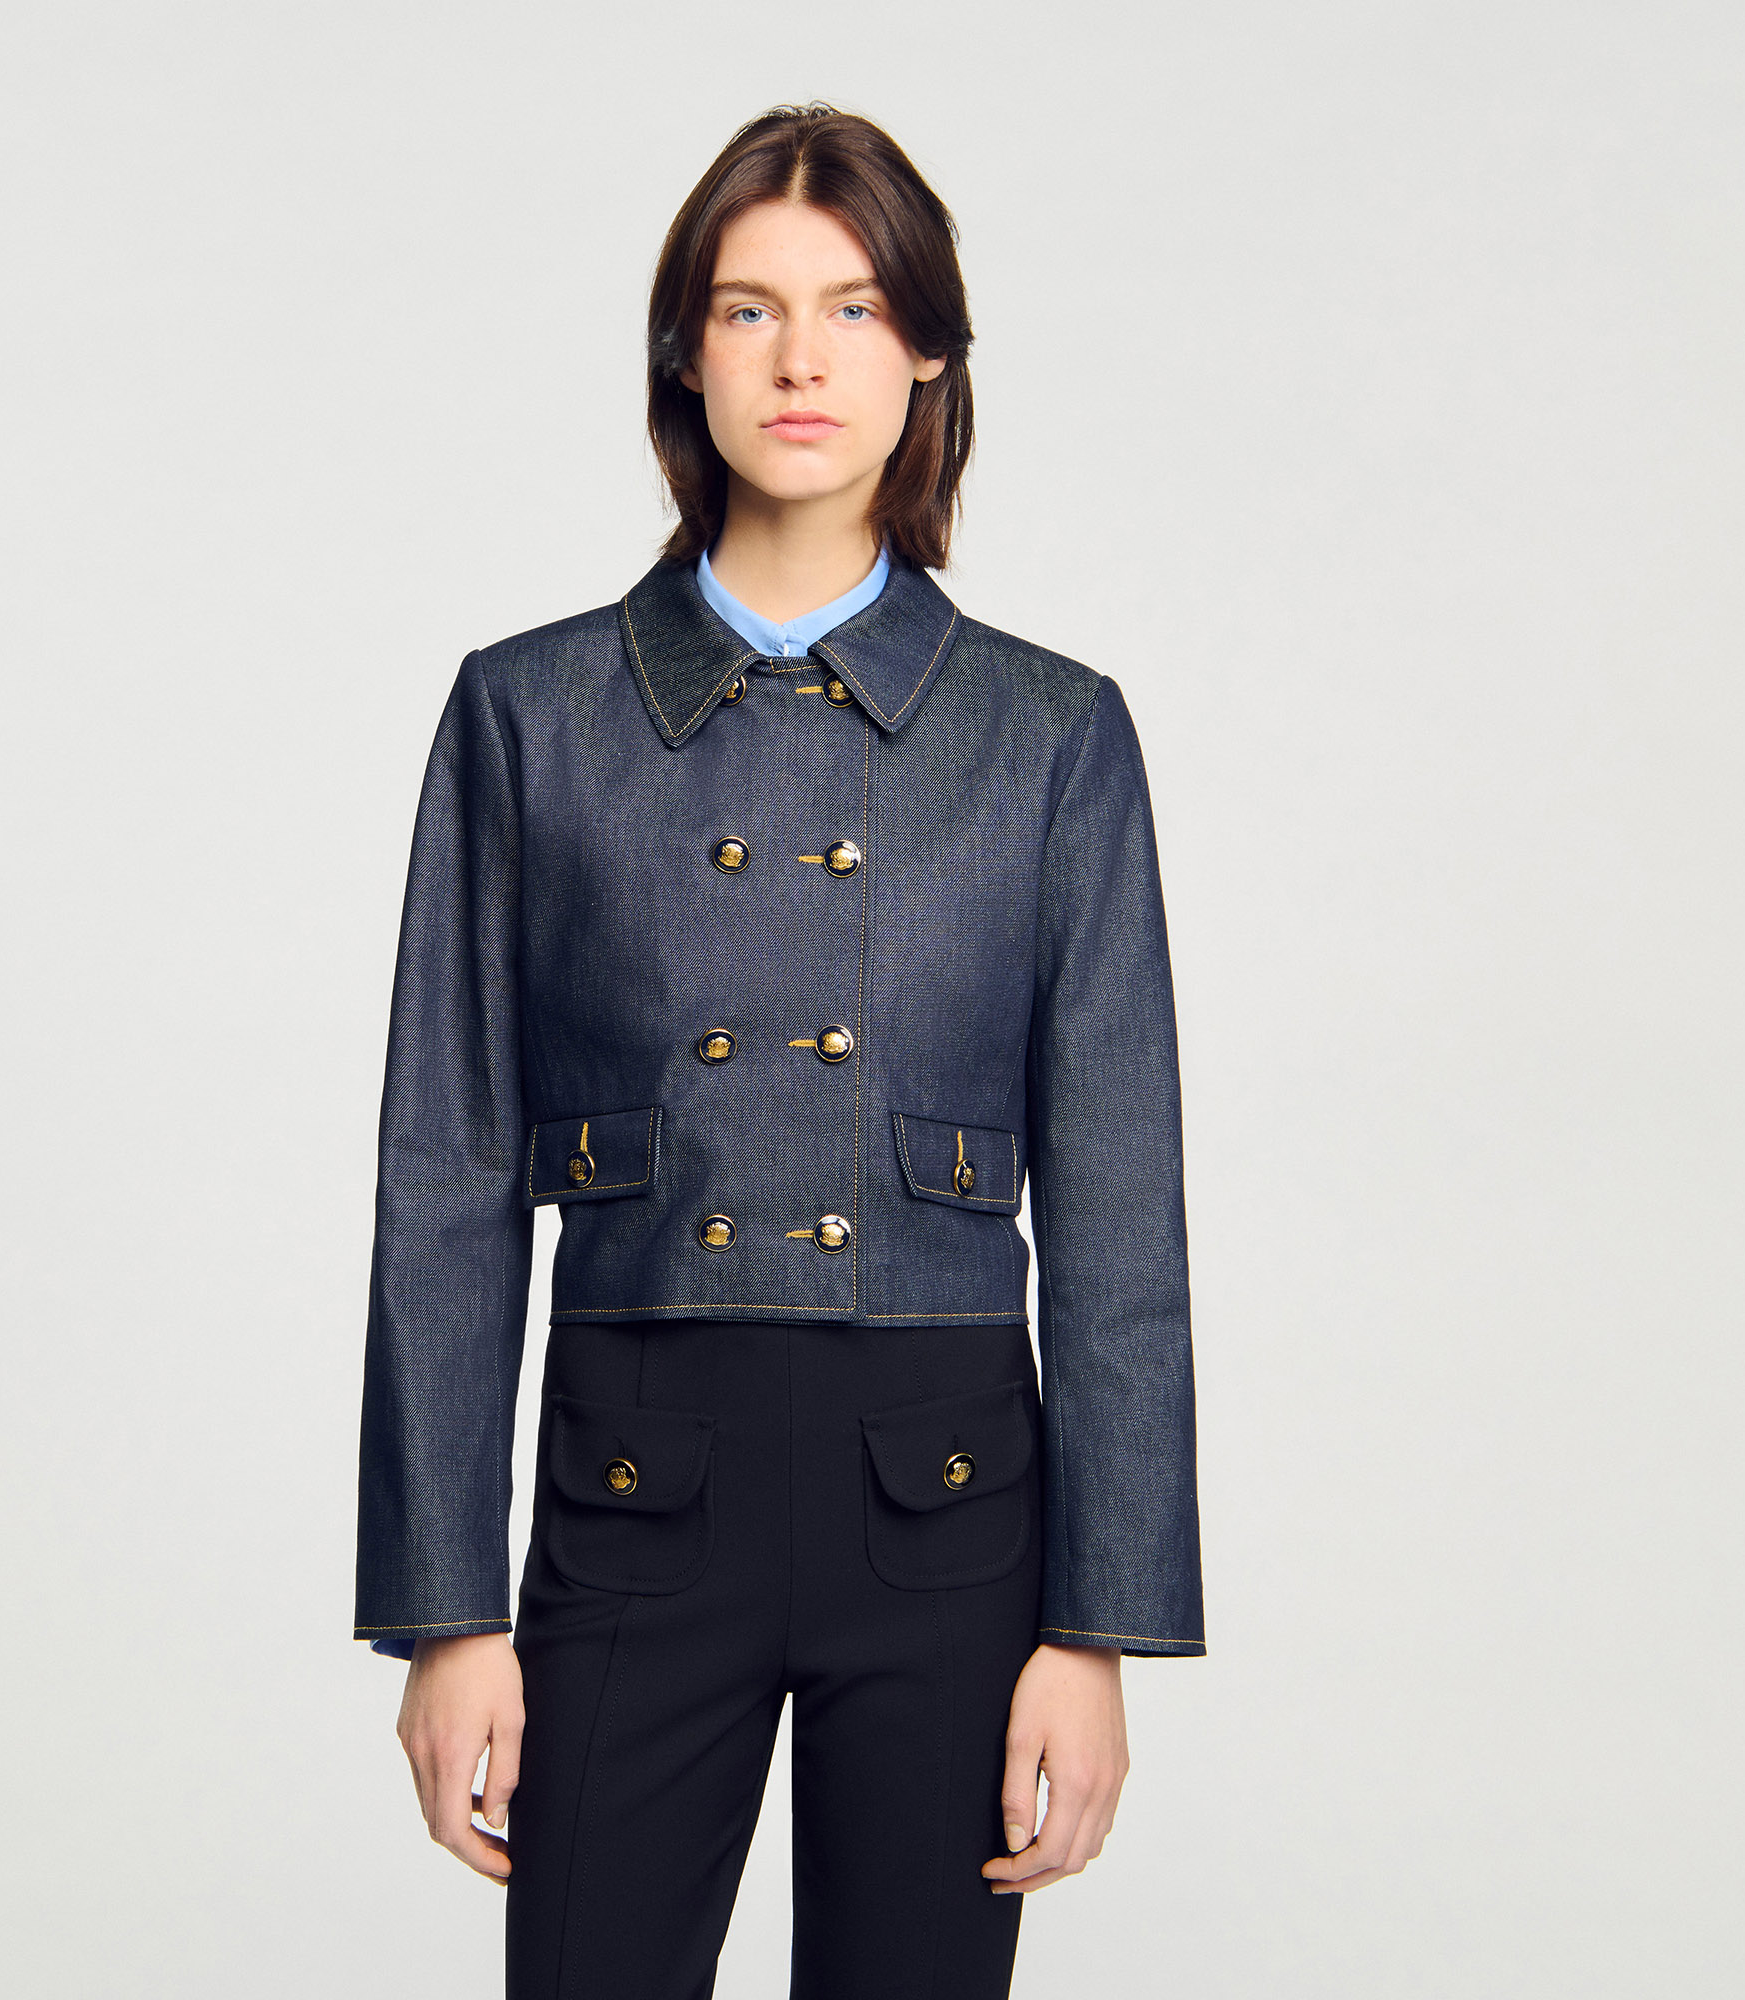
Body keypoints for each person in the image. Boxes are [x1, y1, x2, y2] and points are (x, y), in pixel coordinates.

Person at [354, 101, 1204, 1999]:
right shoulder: (529, 715)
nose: (801, 359)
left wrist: (1100, 1632)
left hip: (951, 1508)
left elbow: (1122, 1218)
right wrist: (443, 1613)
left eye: (853, 308)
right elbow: (444, 1185)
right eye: (749, 309)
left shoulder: (1052, 736)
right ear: (686, 351)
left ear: (929, 356)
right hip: (635, 1488)